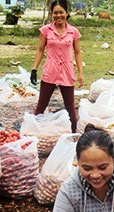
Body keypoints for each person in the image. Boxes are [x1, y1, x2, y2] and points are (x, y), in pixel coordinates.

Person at [30, 0, 83, 133]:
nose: (58, 15)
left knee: (70, 107)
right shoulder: (46, 30)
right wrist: (34, 69)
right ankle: (33, 133)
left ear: (67, 13)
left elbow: (77, 52)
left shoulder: (73, 32)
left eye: (61, 12)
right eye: (55, 13)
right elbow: (40, 50)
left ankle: (73, 136)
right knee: (41, 105)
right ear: (51, 14)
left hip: (67, 71)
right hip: (50, 70)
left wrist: (80, 73)